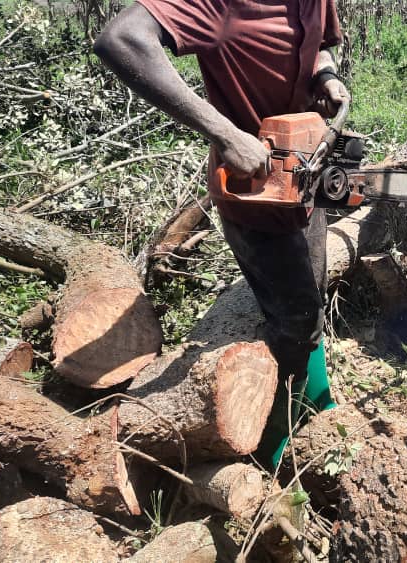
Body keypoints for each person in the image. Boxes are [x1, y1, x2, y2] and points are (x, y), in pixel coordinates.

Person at [93, 0, 348, 467]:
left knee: (308, 299)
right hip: (251, 192)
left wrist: (325, 77)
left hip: (305, 175)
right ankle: (271, 441)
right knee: (293, 318)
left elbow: (320, 50)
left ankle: (315, 396)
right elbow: (121, 40)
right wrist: (226, 134)